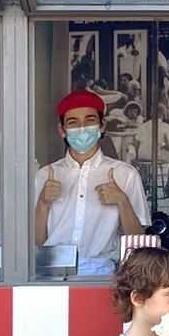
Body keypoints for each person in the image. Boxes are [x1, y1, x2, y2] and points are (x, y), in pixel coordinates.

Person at [35, 90, 151, 276]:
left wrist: (122, 201)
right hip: (51, 272)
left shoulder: (125, 174)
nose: (82, 128)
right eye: (73, 123)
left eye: (90, 120)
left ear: (102, 125)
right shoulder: (45, 175)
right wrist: (43, 203)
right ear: (61, 130)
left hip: (101, 273)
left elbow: (138, 242)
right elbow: (36, 241)